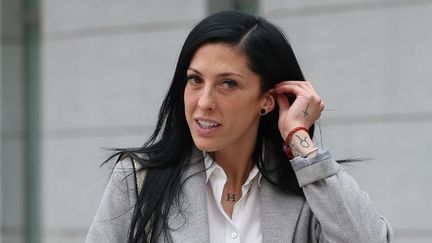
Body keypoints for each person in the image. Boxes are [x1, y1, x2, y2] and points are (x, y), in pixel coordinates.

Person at [86, 11, 393, 243]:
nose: (204, 101)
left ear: (267, 100)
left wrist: (299, 139)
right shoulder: (137, 181)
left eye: (228, 84)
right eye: (195, 80)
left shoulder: (308, 191)